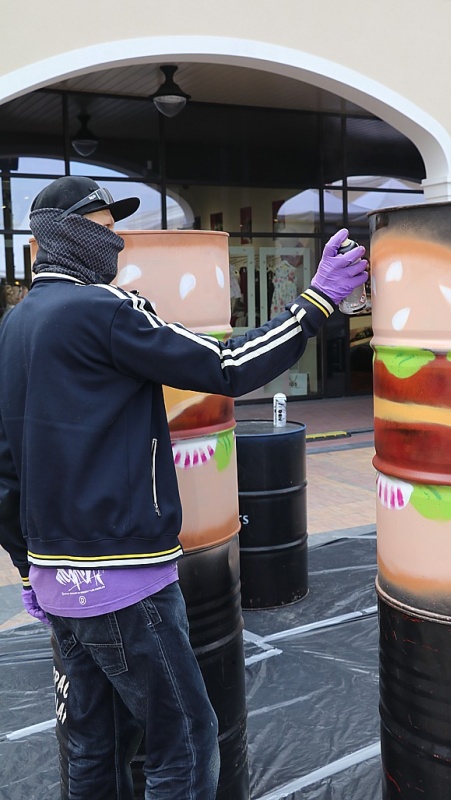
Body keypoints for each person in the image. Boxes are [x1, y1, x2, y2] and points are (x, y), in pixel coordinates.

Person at [0, 175, 367, 800]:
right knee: (187, 740)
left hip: (59, 579)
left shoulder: (14, 327)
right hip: (125, 575)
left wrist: (30, 569)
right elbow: (226, 366)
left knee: (94, 743)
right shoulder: (106, 312)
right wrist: (314, 305)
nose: (116, 245)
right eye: (106, 229)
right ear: (65, 235)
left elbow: (5, 470)